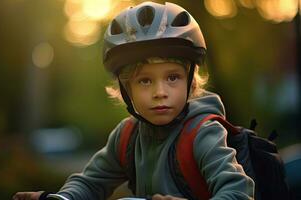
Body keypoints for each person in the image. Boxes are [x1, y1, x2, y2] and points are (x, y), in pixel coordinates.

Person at [13, 2, 255, 200]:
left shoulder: (203, 133)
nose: (160, 91)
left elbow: (238, 191)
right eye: (145, 81)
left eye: (173, 77)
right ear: (125, 89)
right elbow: (91, 181)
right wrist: (63, 198)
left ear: (190, 82)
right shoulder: (127, 136)